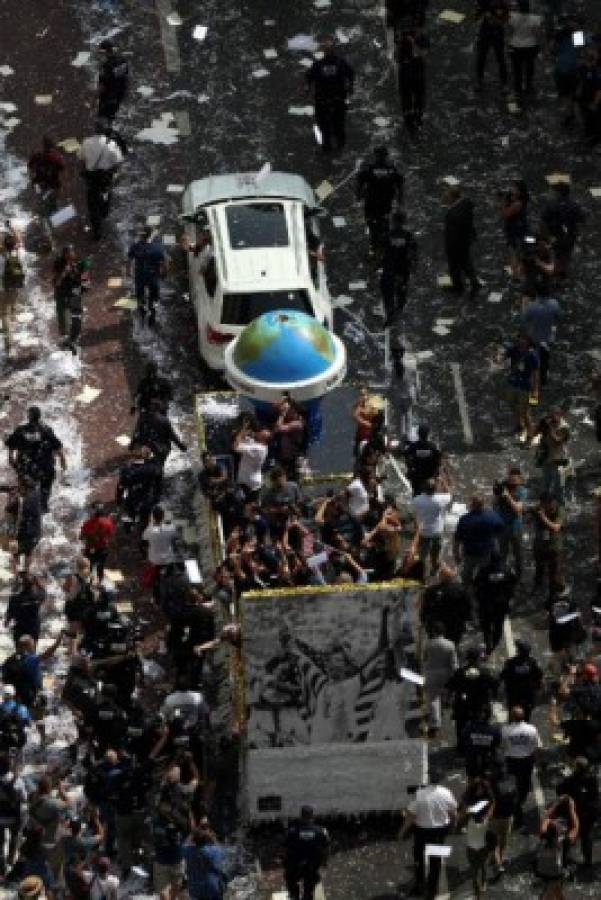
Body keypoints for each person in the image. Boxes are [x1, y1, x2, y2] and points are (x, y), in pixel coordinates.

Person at [400, 780, 457, 900]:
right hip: (439, 832)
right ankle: (432, 891)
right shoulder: (446, 792)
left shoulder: (420, 794)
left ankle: (419, 885)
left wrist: (402, 832)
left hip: (421, 832)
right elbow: (453, 813)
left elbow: (410, 816)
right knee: (435, 862)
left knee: (419, 858)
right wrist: (453, 826)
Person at [6, 406, 67, 513]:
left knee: (24, 489)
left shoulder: (20, 430)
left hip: (26, 469)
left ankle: (21, 505)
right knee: (45, 491)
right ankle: (44, 507)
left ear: (28, 416)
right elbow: (60, 451)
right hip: (45, 469)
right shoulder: (47, 430)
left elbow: (11, 454)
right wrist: (63, 465)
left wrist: (16, 467)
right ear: (39, 417)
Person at [306, 36, 355, 153]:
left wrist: (307, 90)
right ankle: (339, 145)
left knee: (325, 124)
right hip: (336, 98)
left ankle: (328, 145)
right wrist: (350, 87)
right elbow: (351, 74)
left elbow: (309, 78)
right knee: (338, 124)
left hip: (324, 99)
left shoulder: (318, 64)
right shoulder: (340, 63)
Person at [79, 120, 125, 240]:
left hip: (92, 179)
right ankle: (104, 210)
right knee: (106, 194)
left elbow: (80, 157)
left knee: (92, 204)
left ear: (94, 130)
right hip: (105, 179)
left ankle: (97, 230)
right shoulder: (111, 145)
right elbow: (119, 160)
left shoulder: (86, 142)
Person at [356, 147, 404, 255]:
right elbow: (400, 183)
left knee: (371, 222)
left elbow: (360, 181)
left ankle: (374, 243)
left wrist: (359, 196)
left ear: (376, 155)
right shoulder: (392, 169)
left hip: (371, 201)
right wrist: (400, 199)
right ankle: (384, 243)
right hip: (386, 202)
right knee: (384, 221)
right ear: (386, 156)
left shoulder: (369, 168)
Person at [501, 705, 542, 826]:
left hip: (512, 761)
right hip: (527, 761)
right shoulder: (531, 729)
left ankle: (515, 804)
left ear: (512, 717)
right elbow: (538, 746)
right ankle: (520, 800)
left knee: (512, 785)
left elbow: (502, 746)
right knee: (524, 784)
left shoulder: (505, 730)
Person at [131, 401, 187, 485]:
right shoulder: (164, 420)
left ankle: (147, 481)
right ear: (159, 408)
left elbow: (137, 432)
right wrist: (182, 446)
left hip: (148, 448)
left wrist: (133, 444)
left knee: (147, 463)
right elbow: (172, 436)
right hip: (162, 449)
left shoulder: (143, 417)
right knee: (159, 466)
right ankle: (157, 483)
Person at [453, 495, 504, 588]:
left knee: (466, 576)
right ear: (483, 504)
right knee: (484, 575)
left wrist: (456, 555)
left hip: (469, 553)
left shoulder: (464, 519)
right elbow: (500, 528)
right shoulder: (492, 516)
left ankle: (467, 592)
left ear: (471, 505)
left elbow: (457, 540)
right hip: (486, 553)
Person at [557, 757, 599, 868]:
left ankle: (564, 860)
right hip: (589, 813)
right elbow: (595, 795)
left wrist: (564, 777)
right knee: (586, 837)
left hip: (574, 813)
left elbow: (560, 791)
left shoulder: (570, 780)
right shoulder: (592, 779)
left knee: (571, 834)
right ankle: (588, 860)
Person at [474, 552, 517, 655]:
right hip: (501, 604)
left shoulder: (484, 570)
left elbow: (476, 583)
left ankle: (488, 642)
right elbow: (514, 581)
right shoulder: (507, 570)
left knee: (486, 625)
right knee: (498, 625)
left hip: (486, 603)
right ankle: (494, 642)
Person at [379, 210, 417, 325]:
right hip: (403, 267)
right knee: (401, 287)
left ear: (393, 221)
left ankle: (390, 310)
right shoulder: (408, 235)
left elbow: (381, 250)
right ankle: (400, 305)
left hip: (389, 267)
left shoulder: (387, 235)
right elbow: (413, 251)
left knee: (387, 290)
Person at [284, 806, 329, 900]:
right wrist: (324, 863)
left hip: (295, 865)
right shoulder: (320, 831)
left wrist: (285, 863)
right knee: (308, 891)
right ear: (312, 816)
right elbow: (326, 849)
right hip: (312, 866)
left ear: (301, 816)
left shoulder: (292, 831)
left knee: (292, 885)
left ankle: (294, 896)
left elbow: (285, 848)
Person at [540, 182, 585, 276]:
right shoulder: (574, 205)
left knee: (555, 253)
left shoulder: (550, 205)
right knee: (566, 253)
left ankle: (555, 272)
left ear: (558, 193)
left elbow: (543, 221)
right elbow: (581, 219)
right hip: (570, 235)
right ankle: (562, 271)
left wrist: (545, 236)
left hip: (554, 235)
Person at [127, 227, 169, 326]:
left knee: (140, 295)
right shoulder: (158, 247)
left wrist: (129, 272)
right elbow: (165, 262)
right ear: (150, 236)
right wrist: (164, 273)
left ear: (141, 236)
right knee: (154, 296)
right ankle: (152, 315)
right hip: (153, 276)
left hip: (140, 276)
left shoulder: (135, 246)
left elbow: (129, 259)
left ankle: (142, 312)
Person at [411, 475, 452, 577]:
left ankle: (421, 572)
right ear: (435, 489)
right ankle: (434, 570)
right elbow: (449, 493)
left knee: (422, 554)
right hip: (436, 531)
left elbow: (415, 513)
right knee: (435, 553)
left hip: (423, 531)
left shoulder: (417, 500)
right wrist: (443, 482)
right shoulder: (441, 499)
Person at [503, 332, 540, 442]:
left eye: (524, 339)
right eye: (520, 338)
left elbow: (535, 374)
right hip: (513, 384)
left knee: (525, 413)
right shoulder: (514, 350)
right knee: (513, 407)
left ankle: (530, 436)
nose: (521, 341)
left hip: (525, 387)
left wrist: (535, 390)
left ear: (529, 341)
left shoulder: (532, 355)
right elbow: (502, 357)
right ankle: (518, 427)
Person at [443, 185, 479, 296]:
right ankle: (474, 282)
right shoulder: (466, 205)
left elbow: (452, 232)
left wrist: (449, 246)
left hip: (456, 244)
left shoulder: (452, 214)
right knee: (466, 262)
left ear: (453, 198)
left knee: (454, 266)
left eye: (448, 197)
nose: (446, 199)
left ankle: (458, 287)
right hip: (465, 240)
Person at [521, 289, 561, 386]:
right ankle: (543, 379)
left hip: (534, 337)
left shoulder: (531, 306)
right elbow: (559, 317)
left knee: (533, 358)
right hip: (547, 338)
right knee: (544, 359)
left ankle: (532, 378)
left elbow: (524, 320)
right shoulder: (554, 304)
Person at [423, 622, 457, 733]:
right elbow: (453, 663)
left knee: (433, 698)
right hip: (445, 672)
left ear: (433, 631)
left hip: (431, 673)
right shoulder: (450, 644)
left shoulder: (428, 644)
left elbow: (424, 659)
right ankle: (446, 704)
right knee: (445, 692)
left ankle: (436, 722)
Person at [507, 0, 543, 100]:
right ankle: (528, 87)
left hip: (515, 45)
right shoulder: (535, 19)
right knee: (529, 67)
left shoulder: (512, 17)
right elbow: (537, 33)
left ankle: (518, 89)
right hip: (530, 46)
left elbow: (510, 31)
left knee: (517, 69)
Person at [532, 408, 570, 504]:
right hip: (546, 457)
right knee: (545, 482)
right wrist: (540, 424)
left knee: (559, 486)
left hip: (559, 459)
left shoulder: (564, 427)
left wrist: (549, 428)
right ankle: (543, 503)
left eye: (555, 416)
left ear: (560, 416)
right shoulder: (547, 424)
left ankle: (561, 505)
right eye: (551, 416)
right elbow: (534, 434)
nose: (553, 419)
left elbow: (557, 442)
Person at [499, 639, 543, 721]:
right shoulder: (532, 663)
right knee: (526, 717)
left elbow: (502, 676)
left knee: (513, 716)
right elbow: (539, 677)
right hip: (527, 696)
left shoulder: (511, 662)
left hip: (513, 695)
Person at [7, 478, 43, 574]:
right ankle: (26, 573)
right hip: (36, 533)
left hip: (25, 533)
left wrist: (14, 497)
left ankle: (16, 575)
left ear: (24, 487)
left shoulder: (23, 501)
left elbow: (9, 509)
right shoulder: (36, 494)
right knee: (28, 552)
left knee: (14, 551)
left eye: (20, 487)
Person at [396, 26, 429, 131]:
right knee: (407, 99)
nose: (424, 53)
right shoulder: (404, 48)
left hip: (417, 75)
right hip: (407, 75)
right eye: (422, 50)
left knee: (419, 97)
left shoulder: (420, 57)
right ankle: (409, 120)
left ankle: (418, 116)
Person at [182, 826, 228, 900]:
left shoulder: (188, 851)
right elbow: (222, 852)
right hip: (213, 887)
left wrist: (192, 833)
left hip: (195, 888)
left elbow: (184, 845)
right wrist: (213, 838)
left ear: (194, 840)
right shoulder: (215, 851)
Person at [5, 571, 46, 647]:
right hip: (34, 628)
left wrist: (7, 621)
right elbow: (42, 589)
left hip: (20, 629)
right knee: (32, 653)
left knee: (19, 653)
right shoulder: (39, 595)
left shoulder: (15, 599)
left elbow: (9, 615)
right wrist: (35, 580)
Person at [475, 0, 509, 91]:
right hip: (485, 33)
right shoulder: (483, 2)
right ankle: (479, 80)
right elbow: (476, 17)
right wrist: (483, 15)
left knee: (500, 58)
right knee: (481, 57)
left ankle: (504, 83)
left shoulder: (502, 4)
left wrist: (494, 19)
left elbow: (505, 19)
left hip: (497, 34)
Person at [27, 137, 65, 218]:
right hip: (53, 182)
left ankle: (49, 214)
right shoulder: (54, 155)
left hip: (41, 182)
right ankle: (54, 214)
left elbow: (30, 166)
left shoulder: (38, 155)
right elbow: (61, 167)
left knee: (46, 200)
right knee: (53, 201)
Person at [499, 180, 529, 278]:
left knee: (514, 253)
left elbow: (506, 214)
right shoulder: (519, 200)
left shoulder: (517, 204)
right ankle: (520, 271)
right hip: (520, 229)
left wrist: (503, 203)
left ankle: (516, 275)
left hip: (515, 231)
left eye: (514, 188)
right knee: (518, 251)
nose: (512, 189)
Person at [1, 231, 24, 357]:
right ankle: (13, 321)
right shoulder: (16, 255)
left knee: (4, 315)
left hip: (2, 289)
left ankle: (9, 346)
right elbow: (19, 241)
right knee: (11, 308)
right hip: (14, 288)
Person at [80, 504, 116, 581]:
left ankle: (88, 583)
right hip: (103, 549)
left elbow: (81, 536)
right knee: (100, 567)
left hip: (90, 549)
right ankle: (99, 581)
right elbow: (110, 534)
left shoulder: (88, 523)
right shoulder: (108, 522)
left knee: (88, 567)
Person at [232, 423, 269, 498]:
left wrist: (242, 431)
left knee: (248, 507)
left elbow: (235, 446)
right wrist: (245, 431)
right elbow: (241, 439)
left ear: (263, 439)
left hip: (250, 484)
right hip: (246, 481)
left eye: (260, 433)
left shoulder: (259, 449)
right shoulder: (256, 444)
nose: (257, 433)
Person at [404, 424, 442, 495]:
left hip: (417, 477)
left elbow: (406, 456)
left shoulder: (413, 447)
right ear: (428, 434)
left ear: (418, 434)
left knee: (417, 496)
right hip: (429, 478)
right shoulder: (433, 447)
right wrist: (434, 476)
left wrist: (409, 468)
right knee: (431, 497)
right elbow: (438, 462)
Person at [575, 47, 601, 148]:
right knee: (588, 119)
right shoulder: (584, 68)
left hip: (595, 100)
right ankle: (589, 136)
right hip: (587, 97)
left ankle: (594, 139)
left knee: (595, 119)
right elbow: (581, 82)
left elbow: (599, 90)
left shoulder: (597, 71)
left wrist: (595, 103)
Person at [97, 39, 129, 121]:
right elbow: (125, 74)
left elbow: (104, 83)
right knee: (112, 113)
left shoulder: (107, 65)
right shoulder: (122, 60)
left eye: (101, 53)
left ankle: (106, 129)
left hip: (110, 94)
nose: (101, 55)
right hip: (120, 91)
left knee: (104, 116)